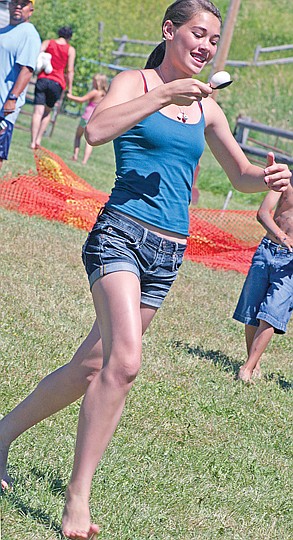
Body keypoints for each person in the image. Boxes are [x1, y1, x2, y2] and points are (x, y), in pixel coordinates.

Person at [0, 1, 291, 538]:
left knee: (91, 366)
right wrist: (162, 94)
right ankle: (77, 501)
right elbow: (95, 131)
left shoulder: (207, 108)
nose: (205, 46)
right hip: (120, 236)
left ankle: (2, 435)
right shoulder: (134, 81)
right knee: (126, 362)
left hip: (169, 251)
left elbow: (241, 173)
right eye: (197, 34)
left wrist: (267, 176)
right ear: (170, 32)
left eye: (213, 39)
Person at [233, 179, 293, 383]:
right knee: (252, 308)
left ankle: (247, 369)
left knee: (272, 312)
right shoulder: (285, 181)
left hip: (290, 264)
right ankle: (253, 361)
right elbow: (263, 213)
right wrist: (282, 236)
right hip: (267, 249)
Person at [0, 0, 40, 169]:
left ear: (30, 10)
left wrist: (12, 98)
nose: (17, 6)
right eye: (15, 2)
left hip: (4, 105)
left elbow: (27, 70)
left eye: (23, 3)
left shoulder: (29, 34)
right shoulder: (3, 31)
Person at [30, 25, 76, 149]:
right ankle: (39, 139)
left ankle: (32, 141)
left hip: (43, 78)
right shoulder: (70, 50)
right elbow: (70, 70)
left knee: (37, 112)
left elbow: (37, 54)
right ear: (70, 37)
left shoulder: (48, 42)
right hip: (57, 82)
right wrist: (69, 88)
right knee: (47, 111)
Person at [67, 73, 108, 165]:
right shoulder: (105, 95)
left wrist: (70, 97)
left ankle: (75, 155)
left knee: (78, 136)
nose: (92, 83)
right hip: (95, 119)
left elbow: (82, 99)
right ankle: (84, 161)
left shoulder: (94, 92)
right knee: (89, 141)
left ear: (98, 82)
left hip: (86, 117)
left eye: (94, 81)